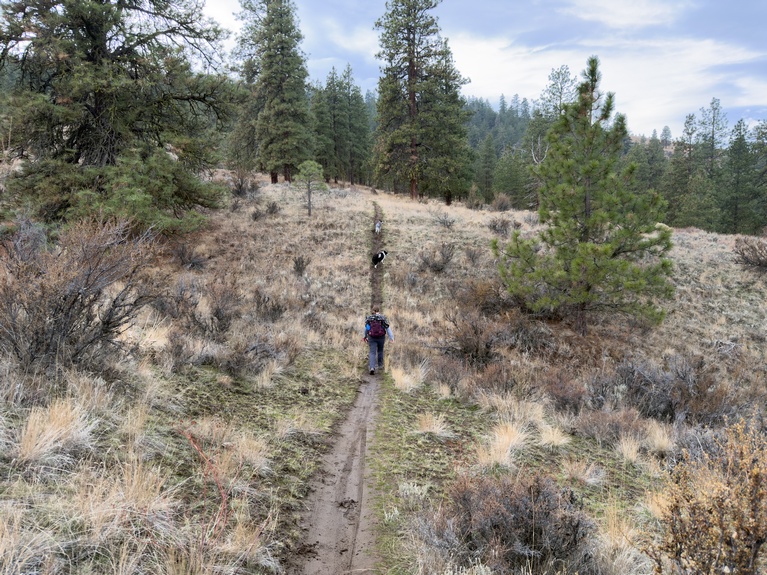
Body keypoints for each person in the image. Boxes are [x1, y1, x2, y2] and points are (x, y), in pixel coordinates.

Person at [363, 306, 394, 375]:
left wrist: (365, 336)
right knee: (380, 350)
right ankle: (380, 365)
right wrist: (391, 338)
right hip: (381, 337)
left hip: (372, 337)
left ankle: (372, 367)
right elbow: (388, 328)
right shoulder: (382, 318)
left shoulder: (369, 318)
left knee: (372, 352)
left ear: (373, 311)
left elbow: (367, 329)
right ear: (378, 311)